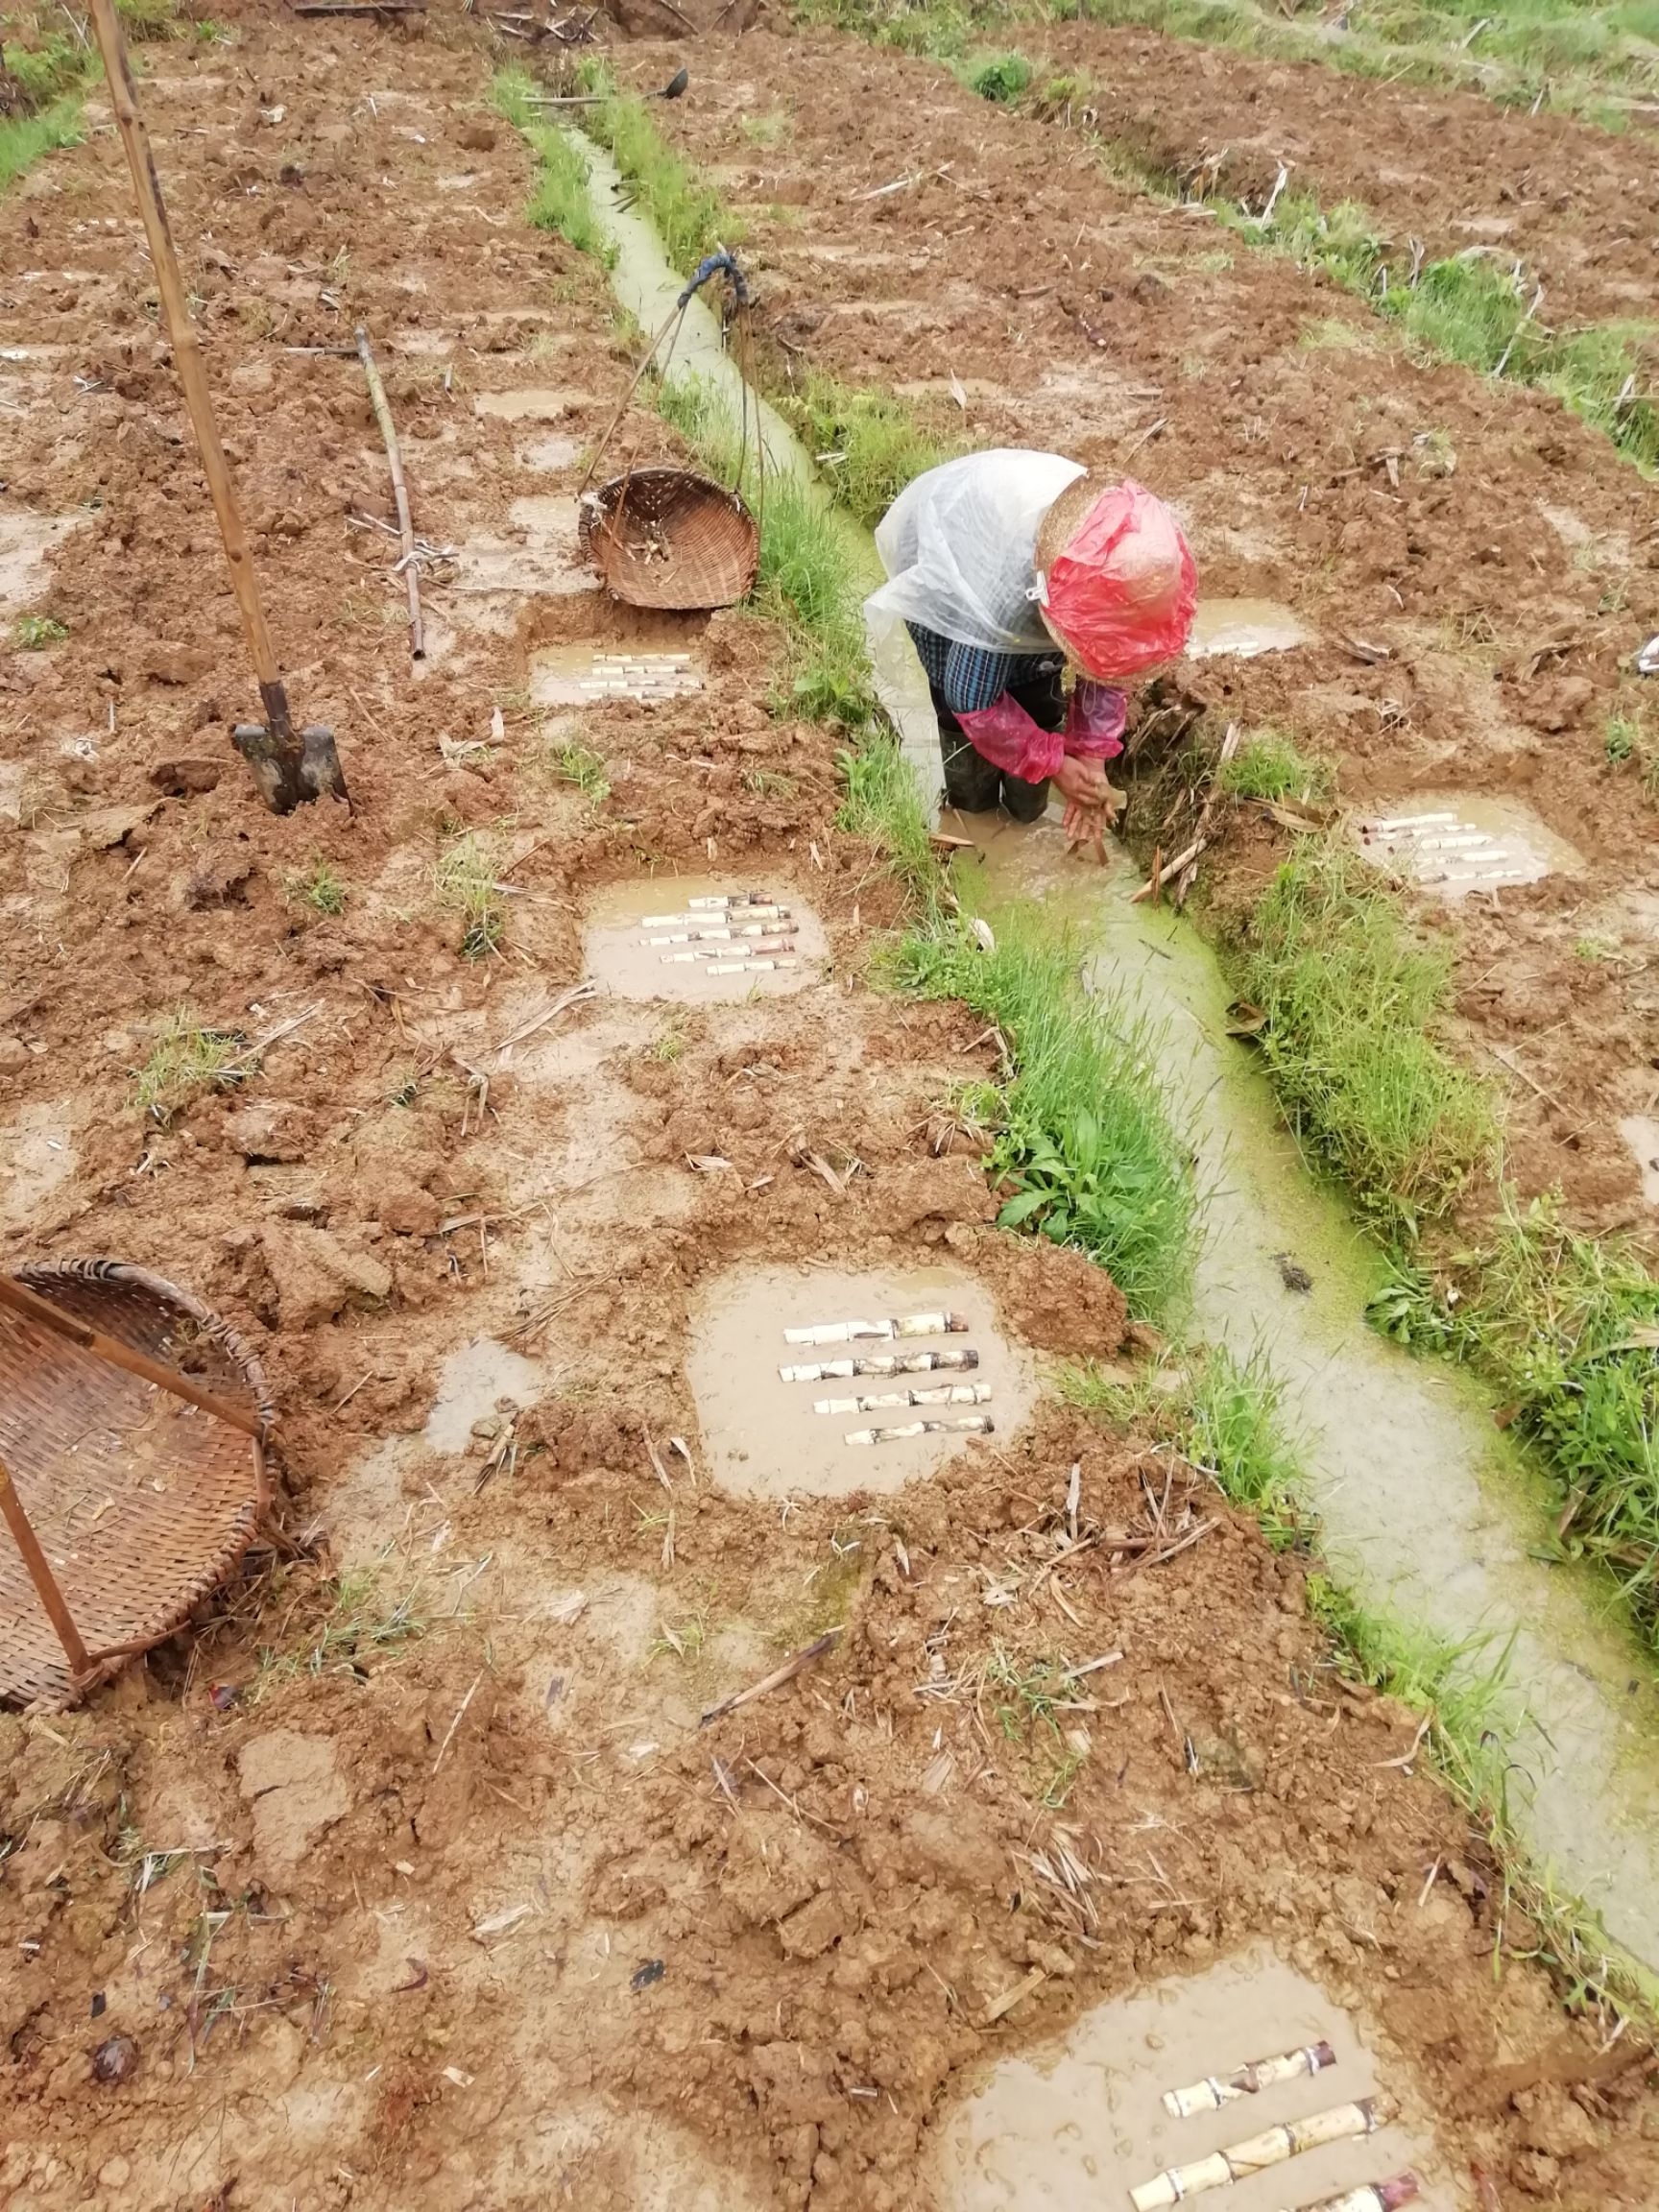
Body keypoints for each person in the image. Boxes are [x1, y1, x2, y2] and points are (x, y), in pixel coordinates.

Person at [864, 451, 1196, 853]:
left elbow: (1110, 662)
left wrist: (1089, 761)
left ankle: (1022, 813)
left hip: (1036, 568)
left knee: (1037, 698)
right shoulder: (1003, 593)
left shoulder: (1125, 567)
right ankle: (973, 811)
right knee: (959, 720)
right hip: (951, 554)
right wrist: (1056, 765)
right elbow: (970, 698)